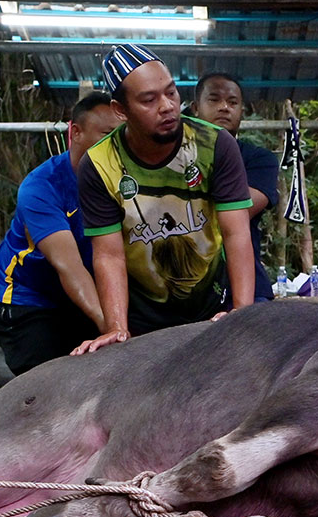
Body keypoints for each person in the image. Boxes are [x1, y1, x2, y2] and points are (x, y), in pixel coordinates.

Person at [72, 43, 256, 355]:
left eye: (171, 92)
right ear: (120, 110)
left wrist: (241, 312)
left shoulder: (215, 145)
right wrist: (116, 327)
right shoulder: (98, 165)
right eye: (149, 100)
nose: (167, 106)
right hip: (144, 315)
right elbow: (108, 255)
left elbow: (236, 232)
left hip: (211, 305)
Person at [0, 93, 120, 374]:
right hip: (27, 296)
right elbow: (70, 267)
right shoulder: (41, 187)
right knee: (48, 379)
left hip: (82, 293)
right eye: (107, 135)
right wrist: (114, 328)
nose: (117, 146)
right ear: (75, 132)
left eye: (122, 137)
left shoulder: (123, 181)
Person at [191, 72, 280, 302]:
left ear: (242, 111)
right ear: (195, 108)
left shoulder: (260, 160)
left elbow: (237, 212)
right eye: (214, 99)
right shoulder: (174, 159)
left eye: (232, 102)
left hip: (247, 289)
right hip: (189, 293)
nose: (224, 107)